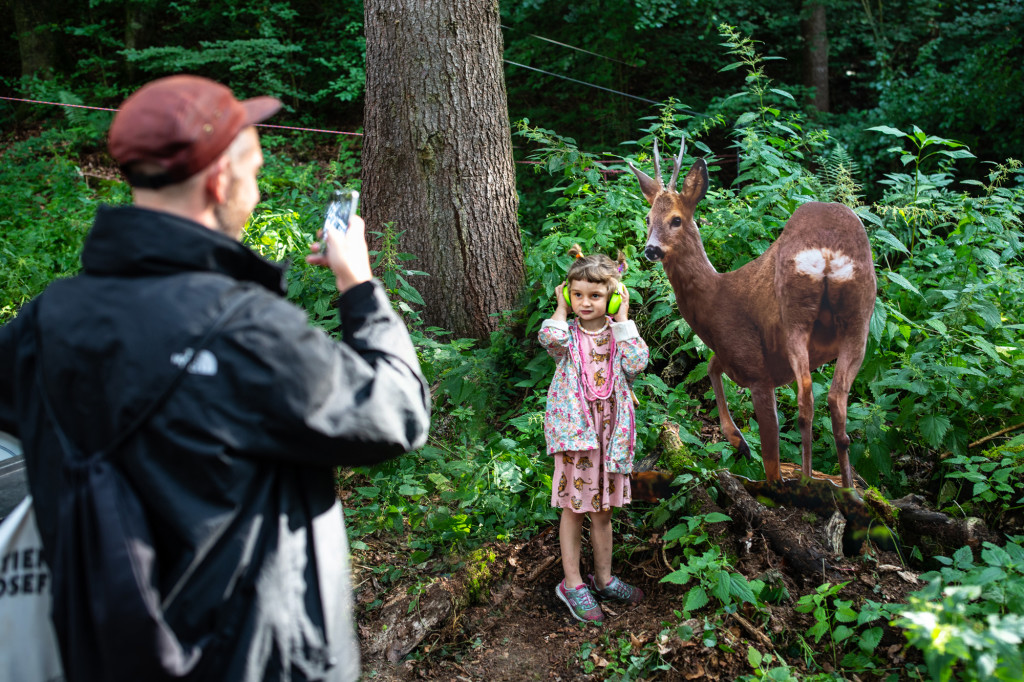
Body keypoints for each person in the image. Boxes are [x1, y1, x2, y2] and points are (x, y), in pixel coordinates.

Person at [0, 75, 431, 681]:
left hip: (102, 655)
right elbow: (396, 413)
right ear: (220, 180)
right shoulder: (249, 330)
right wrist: (358, 285)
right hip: (247, 662)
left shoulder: (44, 324)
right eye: (253, 172)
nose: (254, 189)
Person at [538, 245, 649, 623]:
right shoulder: (566, 335)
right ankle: (572, 583)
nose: (586, 302)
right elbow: (548, 338)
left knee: (602, 511)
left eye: (596, 295)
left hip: (610, 435)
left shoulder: (620, 336)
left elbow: (637, 362)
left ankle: (602, 578)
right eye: (578, 294)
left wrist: (623, 319)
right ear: (569, 294)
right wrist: (561, 308)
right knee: (574, 507)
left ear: (613, 296)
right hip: (578, 435)